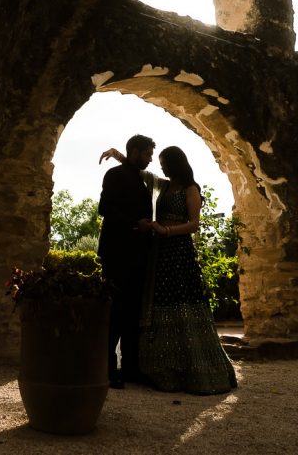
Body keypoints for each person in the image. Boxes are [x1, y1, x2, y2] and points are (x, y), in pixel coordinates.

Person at [101, 144, 237, 394]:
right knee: (158, 302)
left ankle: (193, 366)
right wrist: (120, 155)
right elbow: (140, 172)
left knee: (181, 300)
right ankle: (161, 366)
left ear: (175, 163)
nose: (159, 164)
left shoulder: (190, 189)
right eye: (156, 158)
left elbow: (194, 224)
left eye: (163, 161)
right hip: (158, 252)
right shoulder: (163, 185)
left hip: (179, 251)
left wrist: (165, 230)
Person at [96, 134, 156, 388]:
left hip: (138, 253)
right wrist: (135, 224)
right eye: (147, 154)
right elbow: (104, 209)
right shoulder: (114, 175)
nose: (150, 159)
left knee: (132, 313)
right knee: (116, 311)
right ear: (134, 152)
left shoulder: (142, 179)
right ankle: (108, 370)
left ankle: (131, 368)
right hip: (118, 252)